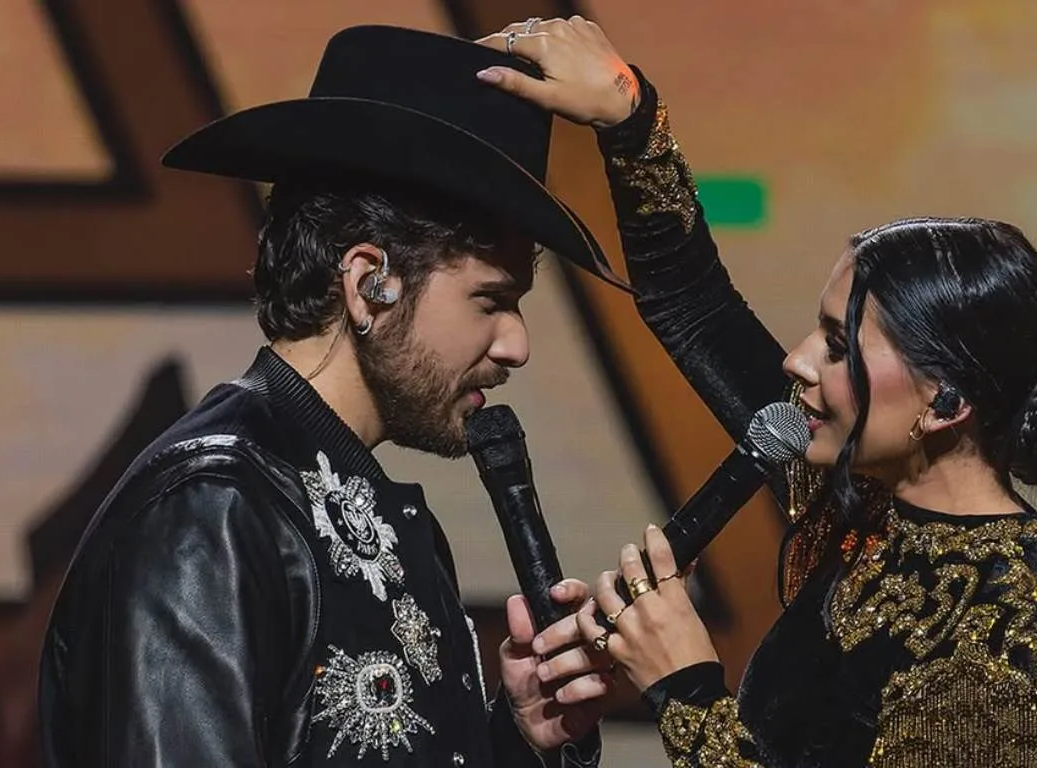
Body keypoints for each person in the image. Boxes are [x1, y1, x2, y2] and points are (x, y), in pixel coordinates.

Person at [476, 17, 1037, 767]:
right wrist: (630, 118)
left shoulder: (1010, 609)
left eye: (839, 345)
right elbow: (693, 306)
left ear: (946, 403)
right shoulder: (856, 497)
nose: (796, 360)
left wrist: (686, 689)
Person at [37, 25, 622, 768]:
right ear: (369, 283)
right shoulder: (213, 512)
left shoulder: (374, 511)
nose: (516, 344)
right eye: (490, 300)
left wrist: (517, 737)